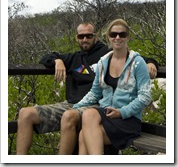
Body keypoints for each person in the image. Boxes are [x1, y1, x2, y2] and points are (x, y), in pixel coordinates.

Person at [16, 22, 157, 155]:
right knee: (25, 113)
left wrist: (151, 63)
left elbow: (132, 58)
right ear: (76, 38)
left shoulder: (106, 53)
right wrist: (56, 61)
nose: (85, 39)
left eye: (89, 36)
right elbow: (46, 57)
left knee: (70, 116)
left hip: (97, 106)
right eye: (81, 36)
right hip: (74, 103)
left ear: (95, 36)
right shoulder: (74, 57)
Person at [59, 19, 152, 155]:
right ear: (108, 37)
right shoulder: (104, 62)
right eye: (113, 34)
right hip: (107, 115)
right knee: (86, 122)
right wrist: (76, 107)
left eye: (122, 34)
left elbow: (145, 96)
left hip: (128, 119)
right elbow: (95, 92)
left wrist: (122, 112)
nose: (117, 37)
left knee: (85, 128)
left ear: (128, 37)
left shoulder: (138, 63)